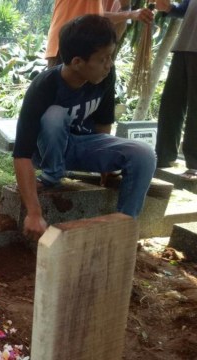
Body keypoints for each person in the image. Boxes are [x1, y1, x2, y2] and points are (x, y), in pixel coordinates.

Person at [13, 14, 156, 241]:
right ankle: (52, 176)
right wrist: (34, 212)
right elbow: (21, 154)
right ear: (77, 62)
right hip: (49, 149)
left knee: (144, 153)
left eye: (111, 57)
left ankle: (125, 227)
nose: (109, 65)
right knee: (54, 115)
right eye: (103, 59)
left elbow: (102, 123)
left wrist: (105, 167)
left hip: (83, 145)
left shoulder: (105, 76)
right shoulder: (45, 85)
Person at [155, 0, 197, 180]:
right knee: (170, 103)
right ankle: (164, 158)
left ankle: (194, 164)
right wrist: (169, 7)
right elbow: (184, 10)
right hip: (184, 47)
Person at [45, 0, 154, 67]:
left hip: (92, 53)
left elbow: (116, 35)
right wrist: (129, 14)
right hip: (65, 47)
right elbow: (90, 19)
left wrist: (126, 7)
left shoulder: (117, 3)